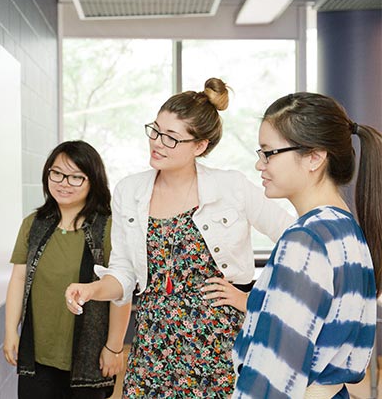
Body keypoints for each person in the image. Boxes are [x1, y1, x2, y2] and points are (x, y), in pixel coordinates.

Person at [64, 78, 295, 397]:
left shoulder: (232, 188)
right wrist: (92, 289)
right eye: (155, 131)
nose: (157, 143)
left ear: (200, 146)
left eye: (171, 138)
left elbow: (296, 238)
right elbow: (124, 273)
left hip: (217, 347)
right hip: (151, 352)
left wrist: (250, 299)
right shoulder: (129, 192)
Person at [232, 93, 381, 398]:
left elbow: (274, 377)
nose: (260, 164)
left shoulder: (306, 240)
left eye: (269, 153)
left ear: (314, 157)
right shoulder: (348, 232)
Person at [4, 141, 130, 399]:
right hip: (38, 354)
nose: (64, 183)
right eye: (57, 173)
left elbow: (121, 289)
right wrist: (9, 332)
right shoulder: (34, 224)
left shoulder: (107, 227)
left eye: (76, 177)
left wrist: (115, 347)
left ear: (92, 180)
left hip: (88, 356)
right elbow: (18, 279)